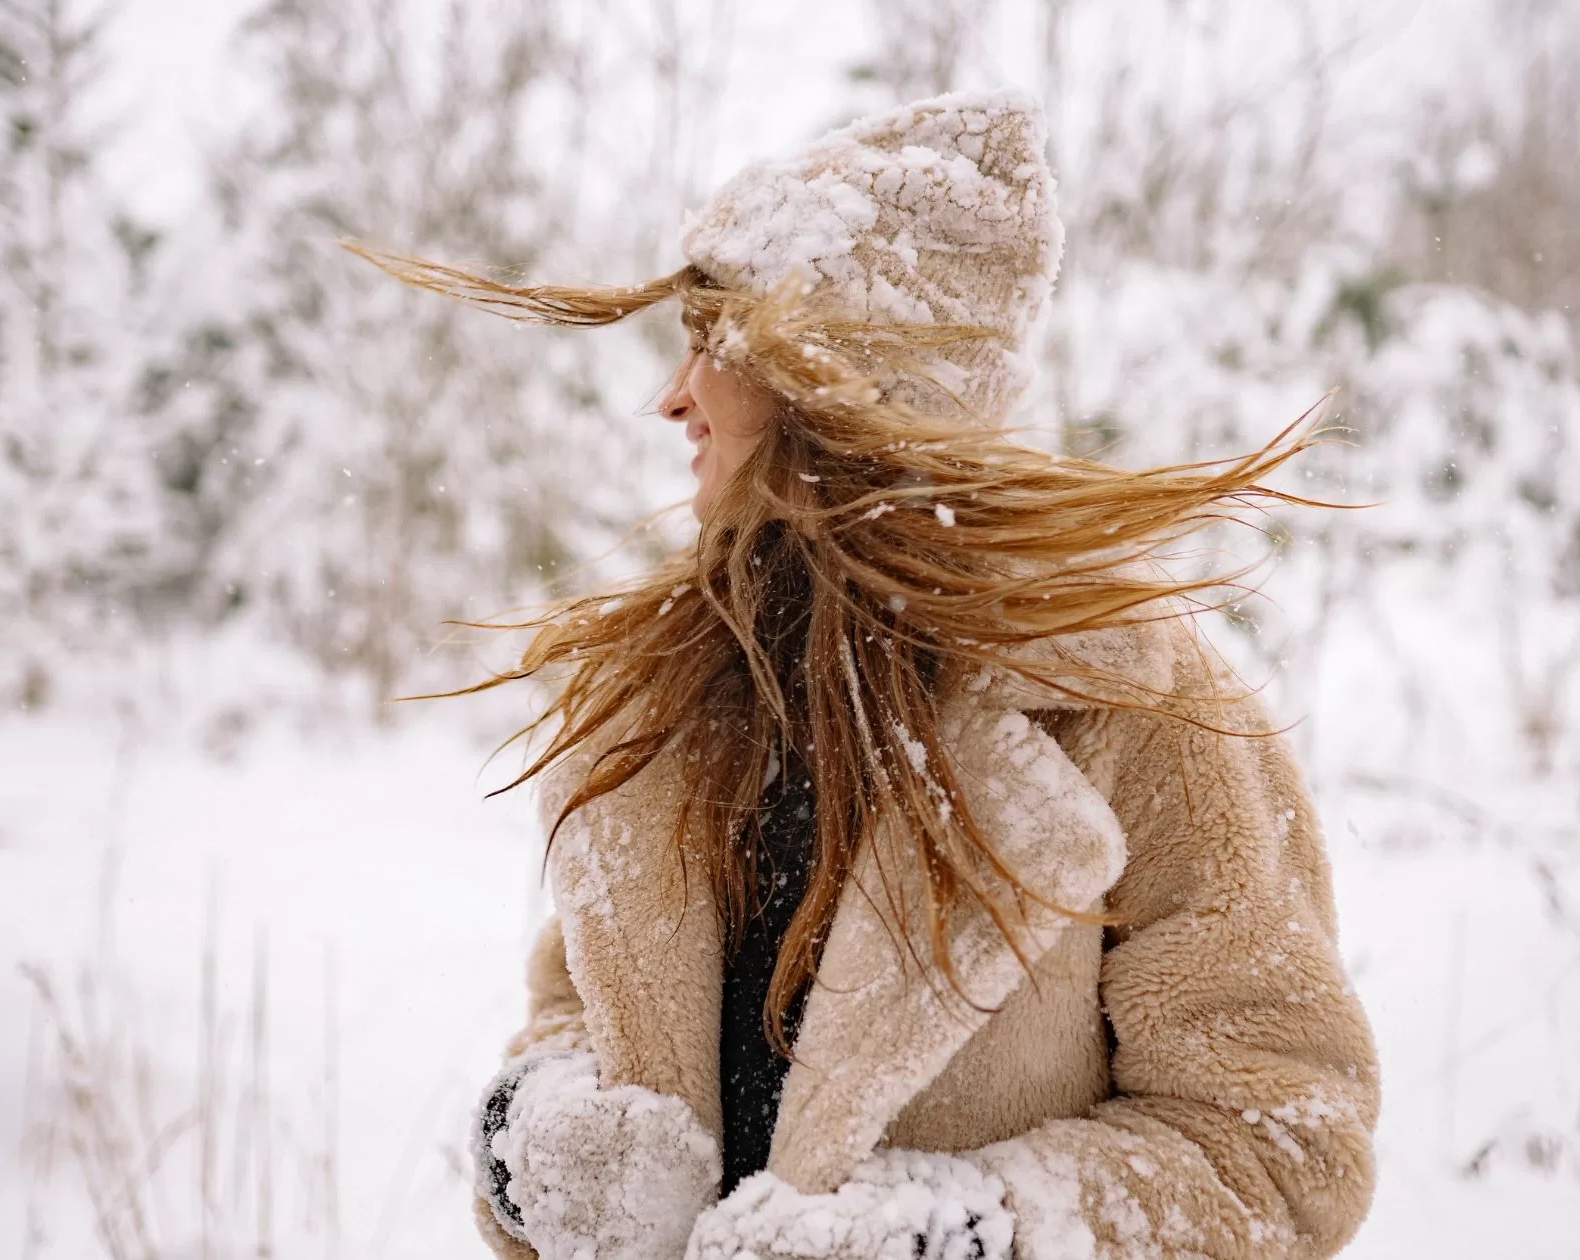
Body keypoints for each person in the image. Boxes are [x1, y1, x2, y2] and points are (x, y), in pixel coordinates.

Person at [353, 89, 1378, 1260]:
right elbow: (571, 1018)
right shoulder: (673, 701)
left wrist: (958, 1238)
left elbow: (1280, 1143)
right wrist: (542, 1147)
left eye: (712, 345)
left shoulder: (1136, 714)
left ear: (844, 382)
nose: (671, 395)